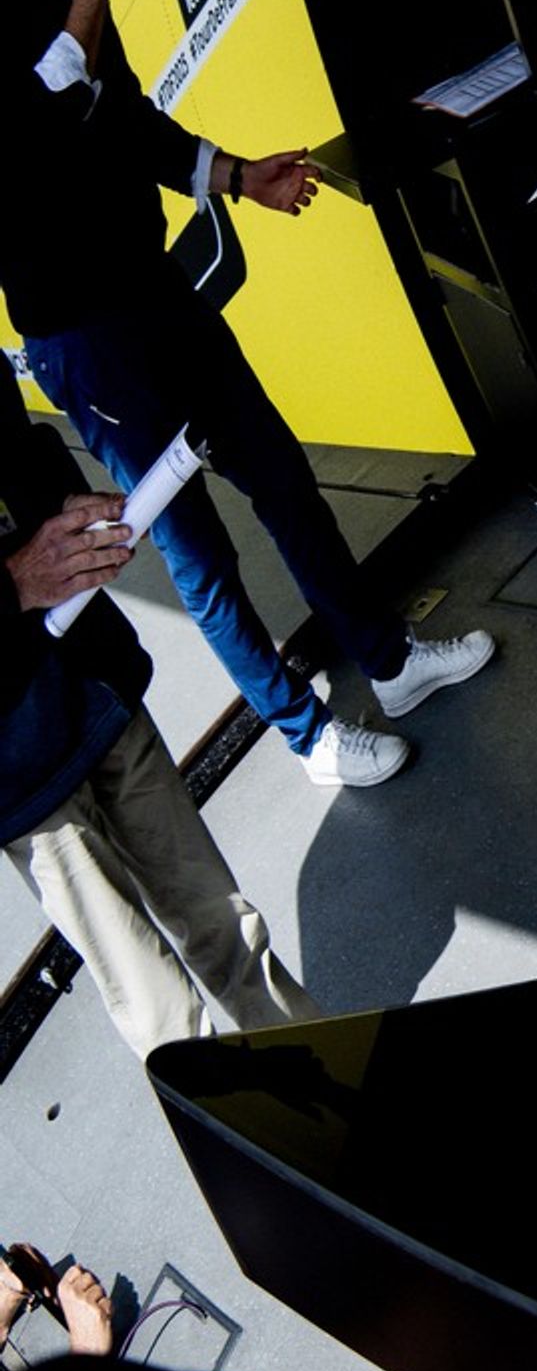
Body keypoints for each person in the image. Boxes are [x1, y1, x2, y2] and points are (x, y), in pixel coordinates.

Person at [0, 0, 489, 788]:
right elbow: (39, 119)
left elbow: (121, 118)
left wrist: (234, 175)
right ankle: (308, 737)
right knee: (195, 547)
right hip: (84, 329)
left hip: (150, 282)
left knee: (279, 471)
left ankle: (389, 661)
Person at [0, 409, 319, 1057]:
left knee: (227, 930)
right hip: (18, 778)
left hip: (91, 684)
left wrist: (72, 514)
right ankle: (246, 1149)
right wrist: (12, 582)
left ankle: (333, 1091)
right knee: (162, 1012)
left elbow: (15, 439)